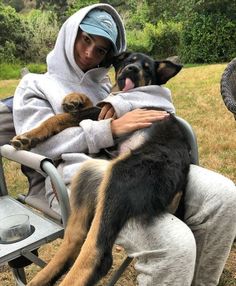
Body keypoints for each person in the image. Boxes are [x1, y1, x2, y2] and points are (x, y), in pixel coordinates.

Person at [12, 3, 236, 286]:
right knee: (175, 245)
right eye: (86, 39)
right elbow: (39, 147)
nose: (90, 52)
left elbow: (154, 110)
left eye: (102, 49)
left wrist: (127, 106)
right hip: (83, 178)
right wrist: (109, 128)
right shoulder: (35, 84)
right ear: (70, 33)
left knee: (225, 196)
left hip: (145, 164)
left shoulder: (111, 85)